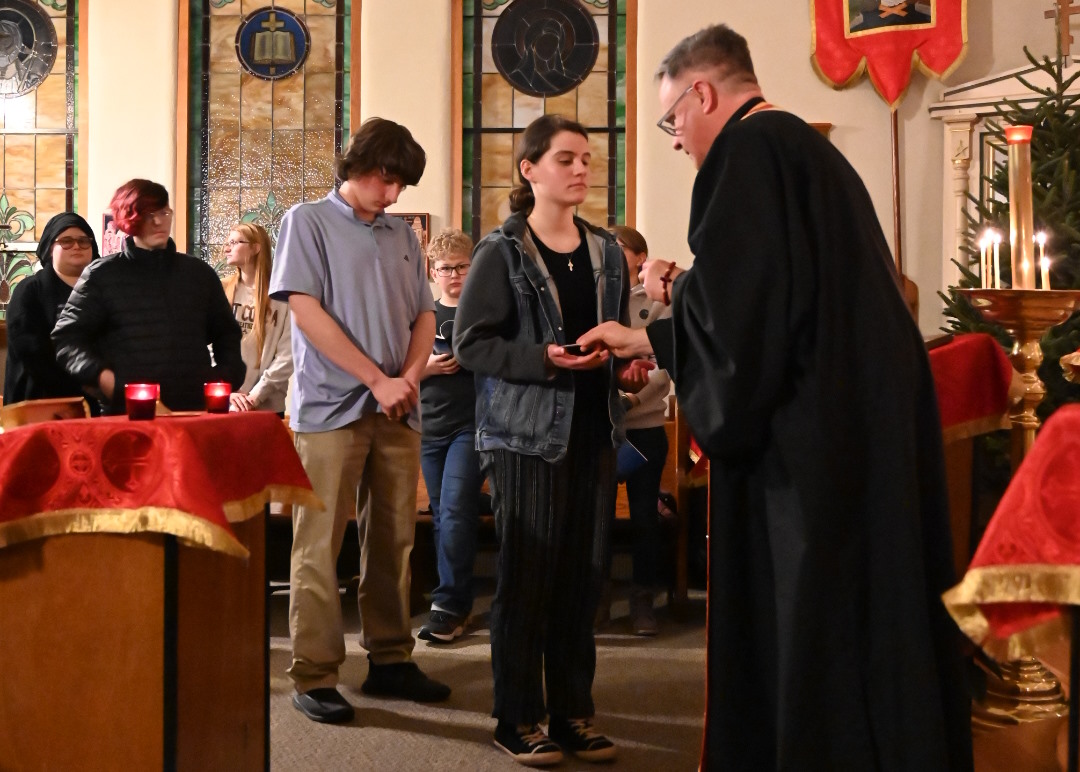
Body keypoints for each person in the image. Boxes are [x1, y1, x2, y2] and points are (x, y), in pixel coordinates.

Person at [579, 24, 973, 771]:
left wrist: (664, 324)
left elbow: (743, 326)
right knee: (866, 618)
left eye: (671, 120)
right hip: (852, 423)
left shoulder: (745, 154)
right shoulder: (802, 149)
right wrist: (654, 336)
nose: (674, 139)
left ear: (703, 94)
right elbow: (765, 299)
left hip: (807, 446)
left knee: (814, 628)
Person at [453, 114, 650, 767]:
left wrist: (625, 366)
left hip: (595, 430)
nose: (581, 169)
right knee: (528, 579)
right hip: (525, 437)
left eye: (587, 159)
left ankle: (571, 713)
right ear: (529, 169)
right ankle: (516, 717)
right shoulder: (501, 251)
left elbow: (611, 336)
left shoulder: (607, 251)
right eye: (566, 158)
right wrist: (543, 357)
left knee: (582, 579)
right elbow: (472, 345)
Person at [269, 117, 449, 725]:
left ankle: (391, 658)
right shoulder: (307, 220)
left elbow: (424, 314)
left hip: (398, 407)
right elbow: (305, 310)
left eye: (401, 186)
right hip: (329, 409)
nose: (393, 195)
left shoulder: (402, 234)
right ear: (358, 166)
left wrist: (410, 377)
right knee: (319, 544)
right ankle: (316, 673)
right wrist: (376, 379)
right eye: (386, 180)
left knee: (395, 539)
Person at [53, 179, 244, 414]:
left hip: (193, 410)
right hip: (128, 412)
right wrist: (105, 380)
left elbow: (227, 334)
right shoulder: (102, 275)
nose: (158, 222)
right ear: (129, 219)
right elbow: (67, 339)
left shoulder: (198, 274)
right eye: (147, 215)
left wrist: (224, 377)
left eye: (164, 213)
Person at [417, 228, 484, 644]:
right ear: (433, 272)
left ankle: (449, 605)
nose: (454, 275)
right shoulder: (423, 314)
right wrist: (426, 367)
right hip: (429, 425)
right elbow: (399, 365)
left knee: (456, 510)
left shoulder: (483, 311)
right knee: (443, 514)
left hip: (471, 425)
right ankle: (455, 598)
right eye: (446, 268)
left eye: (462, 267)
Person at [610, 225, 671, 637]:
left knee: (645, 519)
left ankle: (643, 599)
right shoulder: (598, 295)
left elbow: (664, 365)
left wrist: (630, 401)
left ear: (639, 257)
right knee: (595, 518)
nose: (611, 254)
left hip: (644, 427)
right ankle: (595, 596)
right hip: (601, 428)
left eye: (618, 248)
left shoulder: (657, 300)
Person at [4, 213, 100, 411]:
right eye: (66, 241)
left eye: (83, 241)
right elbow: (31, 351)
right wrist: (80, 386)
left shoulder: (103, 290)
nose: (76, 246)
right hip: (40, 399)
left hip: (97, 398)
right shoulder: (30, 291)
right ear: (49, 248)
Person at [220, 222, 293, 414]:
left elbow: (288, 355)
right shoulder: (222, 289)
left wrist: (255, 395)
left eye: (234, 242)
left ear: (255, 248)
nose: (227, 248)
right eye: (227, 242)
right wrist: (226, 391)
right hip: (226, 403)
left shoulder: (282, 296)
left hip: (267, 406)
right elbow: (209, 346)